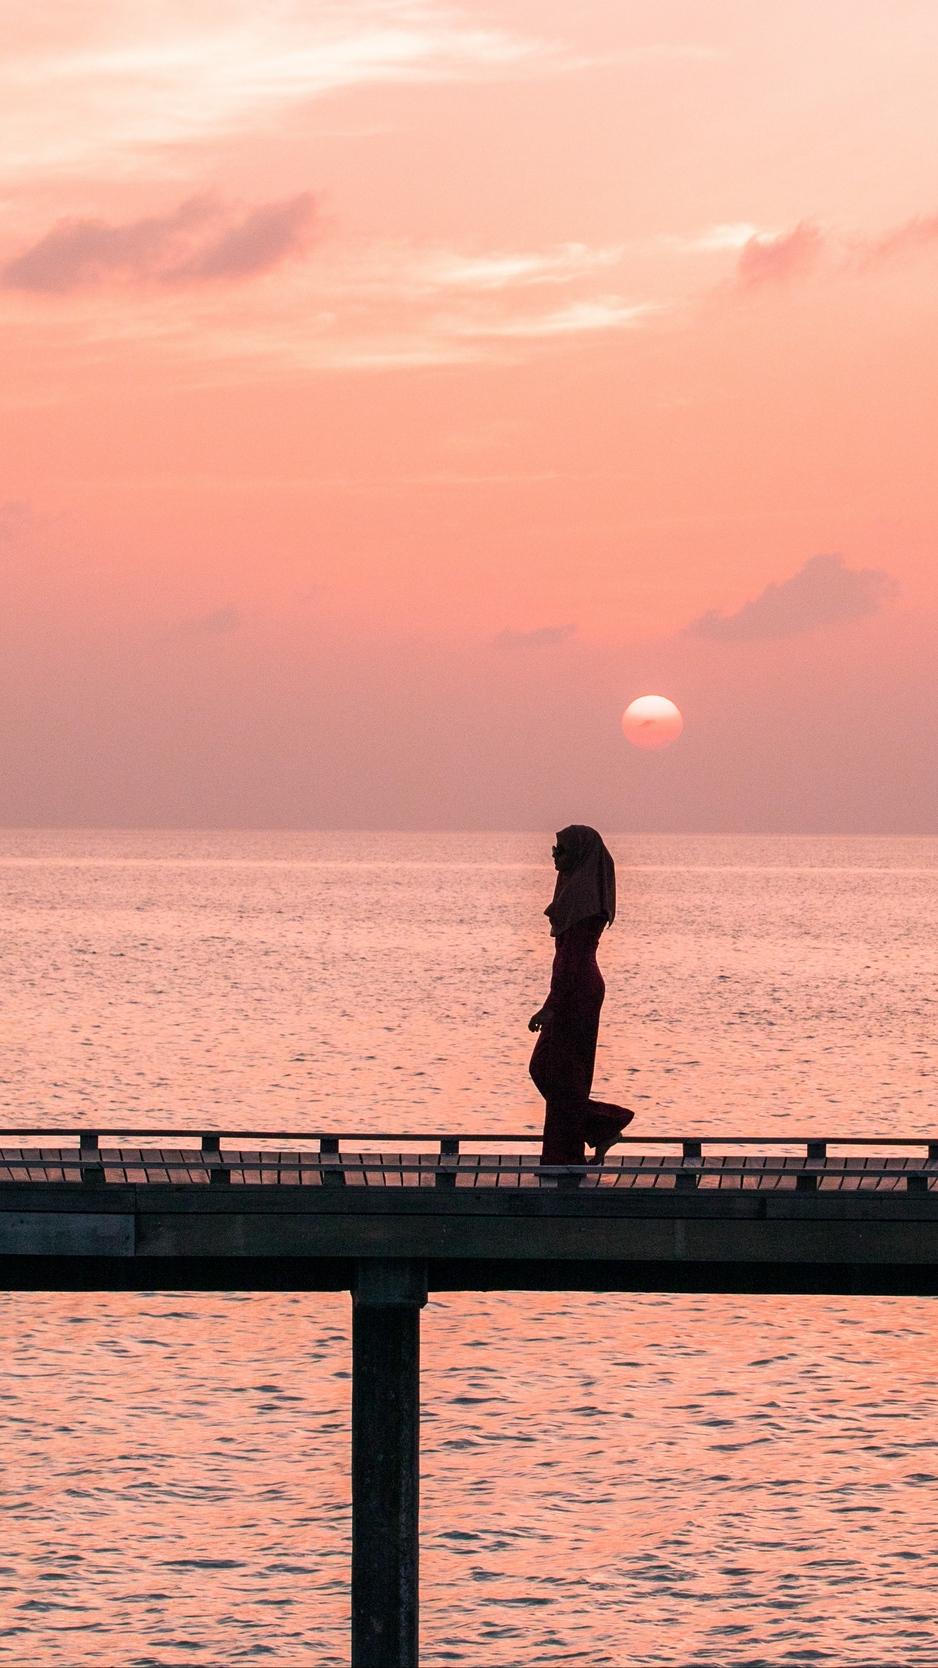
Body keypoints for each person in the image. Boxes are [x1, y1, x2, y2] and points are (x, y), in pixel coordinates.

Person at [528, 825, 634, 1167]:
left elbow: (572, 958)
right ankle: (597, 1127)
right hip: (574, 986)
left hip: (577, 990)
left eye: (561, 849)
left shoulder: (584, 901)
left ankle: (570, 1154)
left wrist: (551, 1006)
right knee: (550, 1070)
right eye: (554, 848)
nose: (554, 855)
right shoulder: (575, 892)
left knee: (559, 1073)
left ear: (580, 854)